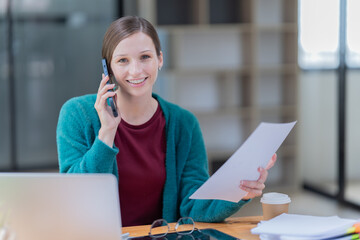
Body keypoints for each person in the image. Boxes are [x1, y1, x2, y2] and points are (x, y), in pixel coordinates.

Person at [56, 16, 277, 227]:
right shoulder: (77, 114)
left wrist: (239, 192)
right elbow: (75, 198)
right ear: (108, 68)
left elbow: (193, 205)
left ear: (160, 59)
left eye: (145, 57)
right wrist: (106, 133)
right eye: (123, 60)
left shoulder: (183, 123)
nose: (136, 70)